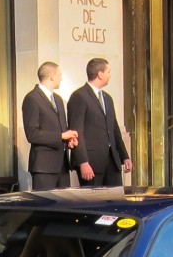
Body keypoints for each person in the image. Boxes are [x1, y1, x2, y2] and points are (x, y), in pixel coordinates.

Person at [67, 58, 132, 187]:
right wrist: (83, 162)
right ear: (100, 74)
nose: (110, 75)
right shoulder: (79, 96)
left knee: (115, 201)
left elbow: (114, 130)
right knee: (94, 203)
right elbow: (76, 132)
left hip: (112, 162)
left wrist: (125, 156)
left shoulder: (107, 98)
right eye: (108, 72)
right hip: (92, 163)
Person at [21, 61, 78, 190]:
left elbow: (62, 129)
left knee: (63, 207)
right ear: (51, 76)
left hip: (62, 165)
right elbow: (32, 134)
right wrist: (61, 136)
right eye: (59, 75)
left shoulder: (58, 99)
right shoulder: (32, 98)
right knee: (45, 205)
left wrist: (68, 140)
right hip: (44, 166)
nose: (61, 78)